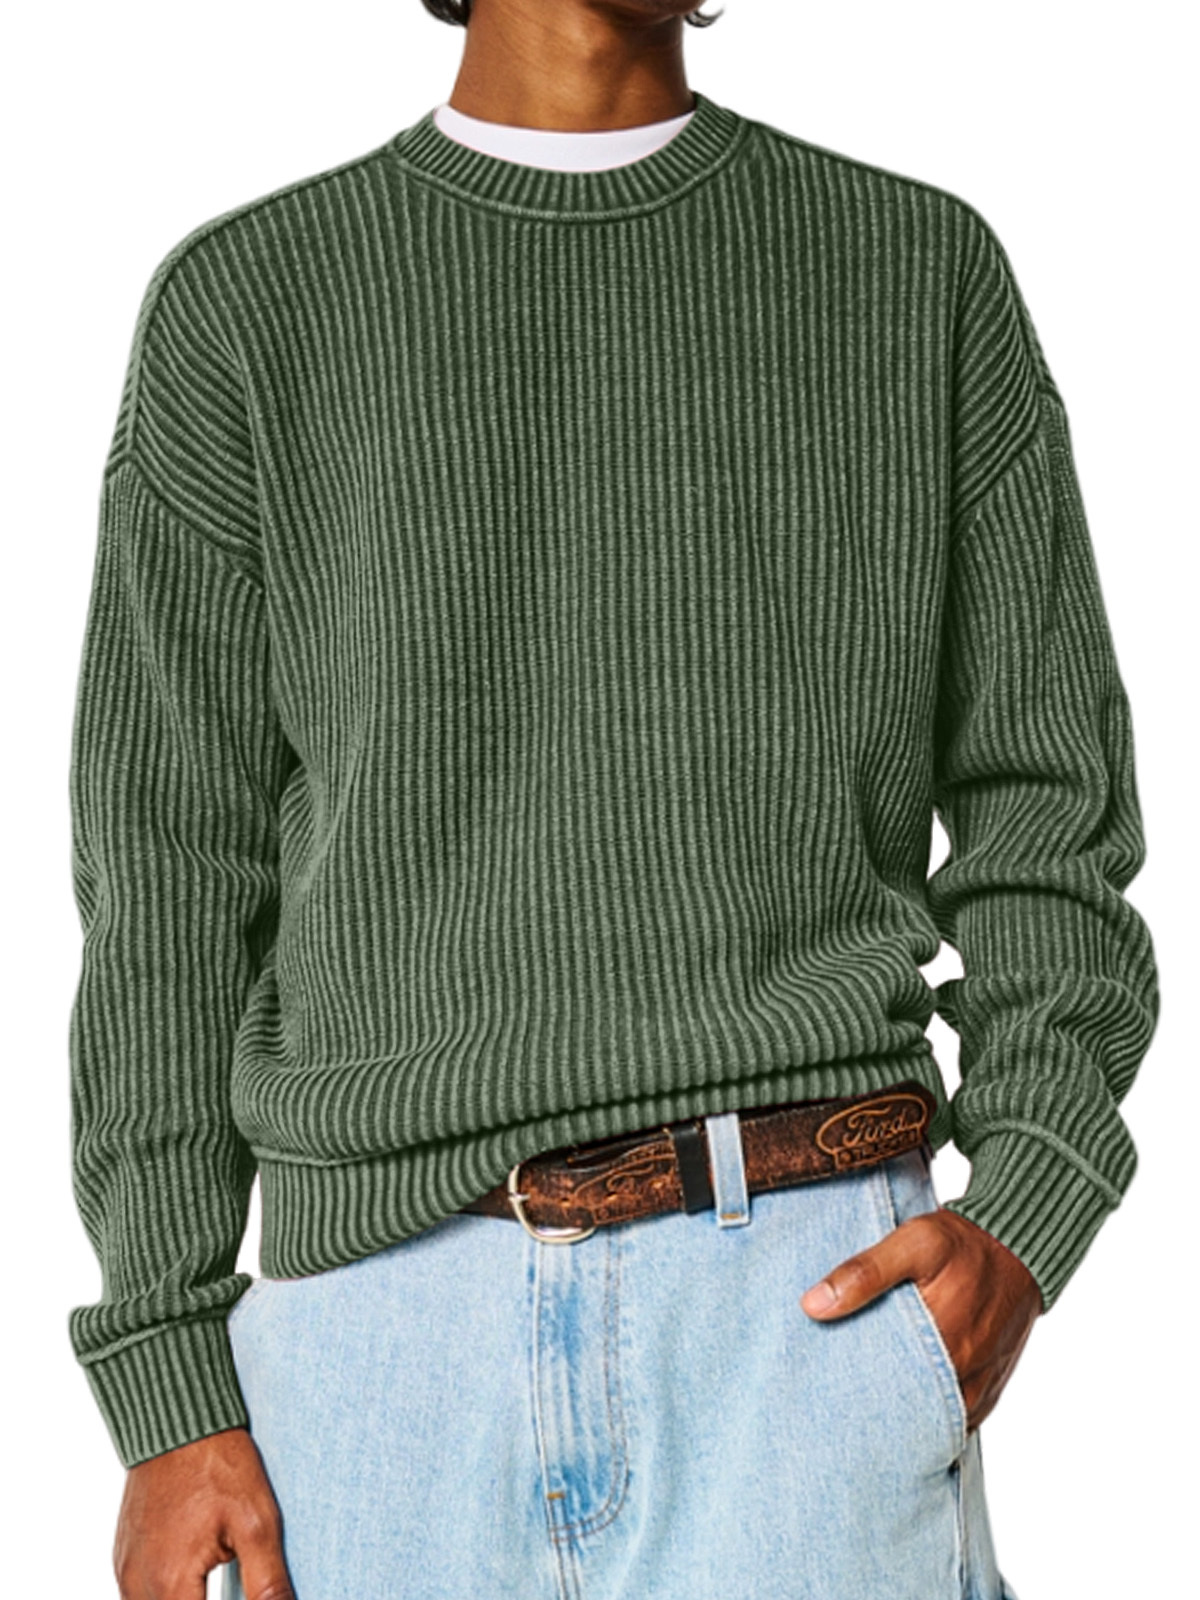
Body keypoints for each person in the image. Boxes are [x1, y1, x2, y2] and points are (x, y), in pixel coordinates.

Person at [65, 0, 1160, 1595]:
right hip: (376, 1368)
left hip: (808, 1321)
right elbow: (168, 881)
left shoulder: (917, 275)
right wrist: (166, 1378)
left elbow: (1047, 812)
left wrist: (1032, 1212)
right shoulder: (247, 308)